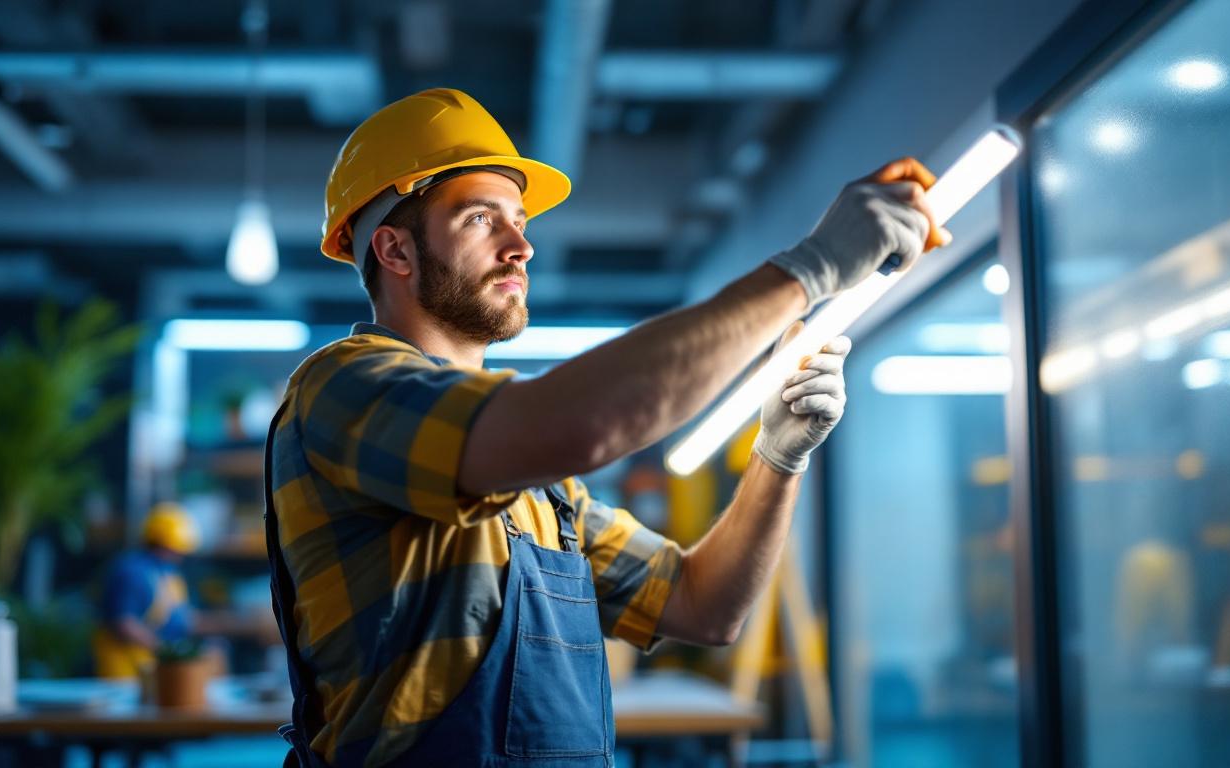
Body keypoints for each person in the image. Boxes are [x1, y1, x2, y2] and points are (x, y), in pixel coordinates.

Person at [264, 88, 946, 767]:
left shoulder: (539, 492)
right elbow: (581, 426)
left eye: (520, 220)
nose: (521, 246)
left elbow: (702, 606)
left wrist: (777, 457)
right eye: (481, 219)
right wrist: (812, 268)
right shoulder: (344, 387)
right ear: (396, 251)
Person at [93, 502, 200, 679]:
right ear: (160, 544)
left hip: (154, 666)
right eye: (176, 550)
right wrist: (168, 650)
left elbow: (182, 617)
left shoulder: (167, 573)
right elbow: (124, 624)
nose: (179, 557)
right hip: (125, 668)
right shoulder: (132, 571)